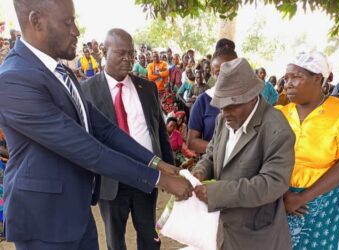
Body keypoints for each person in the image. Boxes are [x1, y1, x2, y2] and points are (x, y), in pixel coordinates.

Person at [0, 1, 192, 249]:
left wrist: (157, 163)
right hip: (44, 221)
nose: (76, 31)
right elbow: (89, 150)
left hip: (76, 210)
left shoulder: (61, 72)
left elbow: (105, 129)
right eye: (68, 22)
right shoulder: (14, 80)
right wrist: (160, 180)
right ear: (36, 21)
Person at [81, 28, 174, 250]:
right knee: (115, 239)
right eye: (121, 53)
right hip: (111, 181)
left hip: (147, 176)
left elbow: (159, 131)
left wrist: (169, 168)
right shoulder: (87, 90)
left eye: (131, 54)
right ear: (104, 51)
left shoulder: (147, 88)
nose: (128, 59)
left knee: (149, 235)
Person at [192, 58, 295, 250]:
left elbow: (272, 184)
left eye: (231, 105)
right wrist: (200, 171)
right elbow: (212, 154)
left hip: (256, 236)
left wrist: (217, 192)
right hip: (223, 229)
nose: (224, 112)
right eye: (221, 105)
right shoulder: (223, 120)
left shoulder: (277, 129)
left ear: (252, 97)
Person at [277, 51, 339, 249]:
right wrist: (282, 193)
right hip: (278, 197)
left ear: (318, 79)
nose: (288, 83)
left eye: (296, 77)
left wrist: (301, 197)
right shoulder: (279, 113)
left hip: (324, 200)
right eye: (286, 78)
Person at [187, 47, 236, 154]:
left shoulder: (248, 99)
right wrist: (222, 150)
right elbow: (192, 142)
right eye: (218, 72)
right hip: (211, 164)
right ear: (213, 74)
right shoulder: (203, 101)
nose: (224, 75)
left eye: (228, 69)